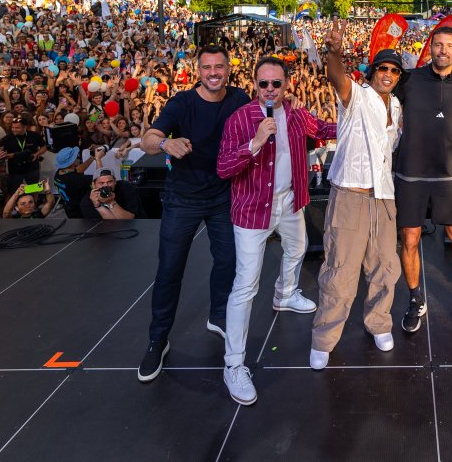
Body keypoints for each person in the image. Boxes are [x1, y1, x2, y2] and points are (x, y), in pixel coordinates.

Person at [217, 56, 336, 405]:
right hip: (253, 209)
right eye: (263, 83)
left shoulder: (296, 114)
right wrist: (255, 143)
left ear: (287, 85)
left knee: (297, 247)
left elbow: (322, 130)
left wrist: (357, 121)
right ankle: (233, 364)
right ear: (254, 85)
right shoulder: (241, 119)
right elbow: (224, 167)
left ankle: (284, 294)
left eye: (276, 83)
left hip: (289, 201)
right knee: (245, 286)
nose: (270, 89)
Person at [137, 45, 251, 384]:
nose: (213, 73)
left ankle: (218, 315)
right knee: (170, 269)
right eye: (207, 67)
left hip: (222, 196)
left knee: (229, 260)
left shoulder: (240, 99)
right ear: (198, 71)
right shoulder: (181, 103)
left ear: (228, 69)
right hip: (183, 199)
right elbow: (148, 139)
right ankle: (158, 339)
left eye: (219, 66)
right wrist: (165, 144)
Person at [309, 20, 403, 370]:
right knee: (340, 271)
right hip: (350, 194)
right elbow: (336, 76)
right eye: (383, 68)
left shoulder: (397, 106)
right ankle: (324, 338)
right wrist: (334, 52)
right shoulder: (357, 96)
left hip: (384, 198)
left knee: (385, 268)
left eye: (394, 70)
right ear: (372, 71)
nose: (388, 74)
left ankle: (379, 322)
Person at [393, 26, 452, 332]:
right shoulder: (409, 79)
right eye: (438, 44)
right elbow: (377, 92)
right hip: (410, 174)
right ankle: (415, 298)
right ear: (430, 47)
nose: (443, 50)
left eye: (449, 45)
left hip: (449, 175)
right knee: (410, 239)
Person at [0, 117, 47, 193]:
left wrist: (36, 154)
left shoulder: (34, 135)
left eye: (17, 128)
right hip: (15, 170)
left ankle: (33, 200)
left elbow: (44, 147)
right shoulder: (7, 138)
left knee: (34, 190)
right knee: (13, 192)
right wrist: (13, 155)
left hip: (32, 168)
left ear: (25, 127)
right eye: (13, 127)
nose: (14, 129)